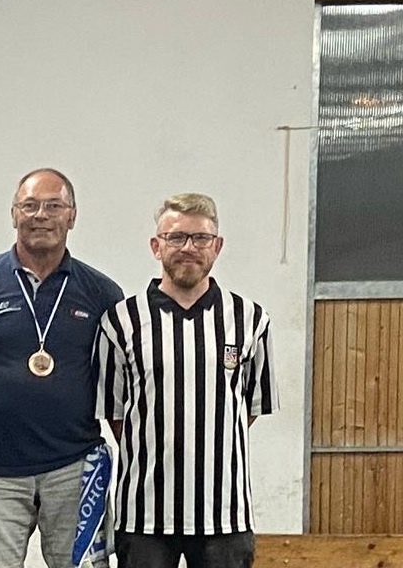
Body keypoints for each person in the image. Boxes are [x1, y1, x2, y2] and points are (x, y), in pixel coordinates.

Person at [0, 168, 124, 568]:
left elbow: (117, 384)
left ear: (72, 216)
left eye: (54, 206)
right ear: (13, 214)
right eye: (30, 205)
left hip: (75, 467)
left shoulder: (102, 294)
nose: (41, 215)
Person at [96, 193, 276, 568]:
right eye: (176, 237)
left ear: (217, 246)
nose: (188, 248)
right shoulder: (120, 321)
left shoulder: (250, 319)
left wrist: (207, 437)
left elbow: (248, 408)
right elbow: (116, 413)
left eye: (200, 238)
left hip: (224, 514)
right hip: (144, 514)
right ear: (156, 245)